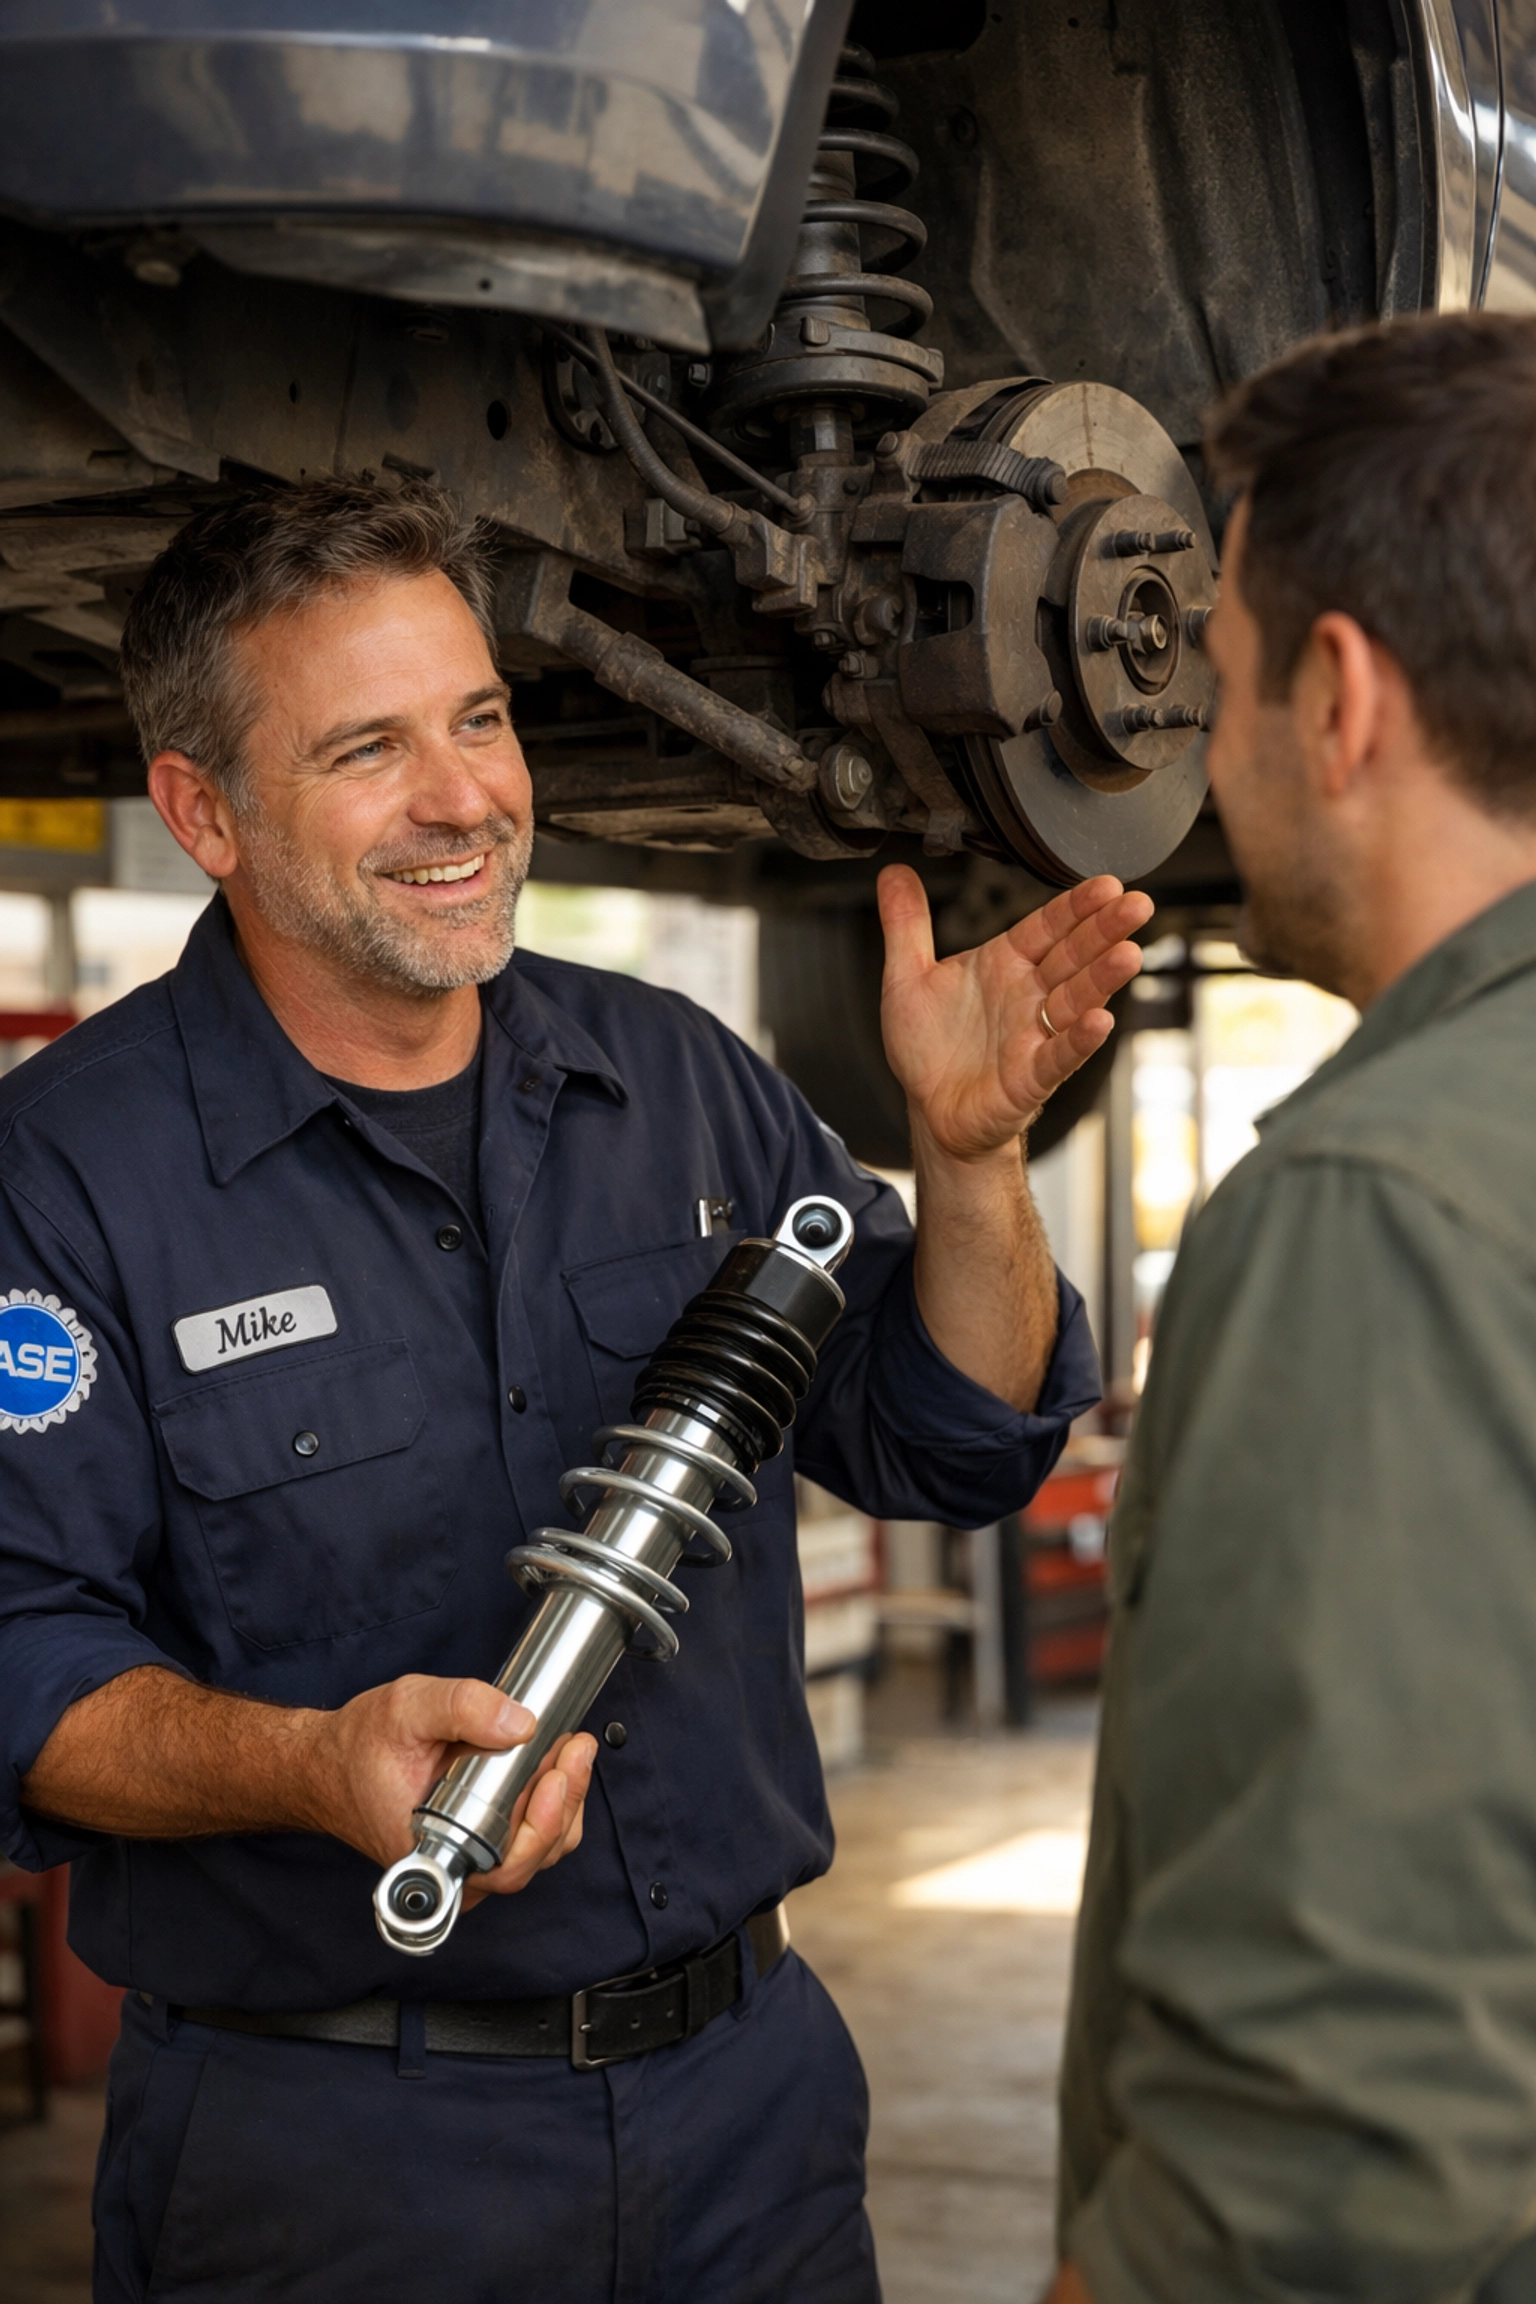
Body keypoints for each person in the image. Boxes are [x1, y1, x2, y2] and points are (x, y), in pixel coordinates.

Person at [0, 478, 1147, 2303]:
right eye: (368, 747)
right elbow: (20, 1664)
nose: (464, 799)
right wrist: (311, 1770)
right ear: (202, 811)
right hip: (335, 2171)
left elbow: (951, 1436)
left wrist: (974, 1163)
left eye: (481, 717)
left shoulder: (678, 1078)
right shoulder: (65, 1177)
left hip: (749, 2117)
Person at [1046, 310, 1536, 2304]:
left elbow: (1334, 2132)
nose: (1205, 748)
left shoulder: (1379, 1201)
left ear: (1339, 698)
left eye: (1222, 675)